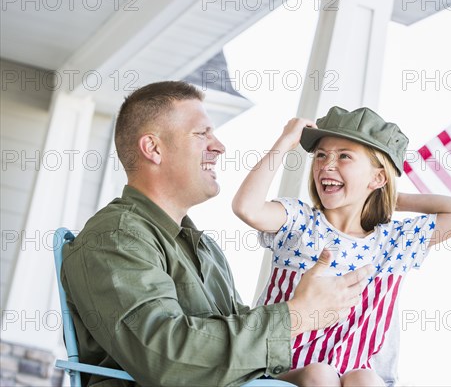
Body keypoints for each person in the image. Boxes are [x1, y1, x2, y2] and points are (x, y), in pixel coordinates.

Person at [60, 81, 373, 387]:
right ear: (153, 148)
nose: (219, 146)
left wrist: (308, 370)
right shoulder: (116, 238)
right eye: (201, 134)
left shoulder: (204, 248)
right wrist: (296, 315)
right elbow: (166, 358)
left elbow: (235, 357)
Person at [232, 106, 451, 386]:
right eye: (321, 155)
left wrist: (389, 196)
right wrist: (284, 142)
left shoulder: (393, 244)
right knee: (320, 372)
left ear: (378, 178)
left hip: (351, 373)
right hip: (281, 367)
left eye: (344, 156)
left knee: (366, 379)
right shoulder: (299, 222)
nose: (326, 164)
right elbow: (247, 208)